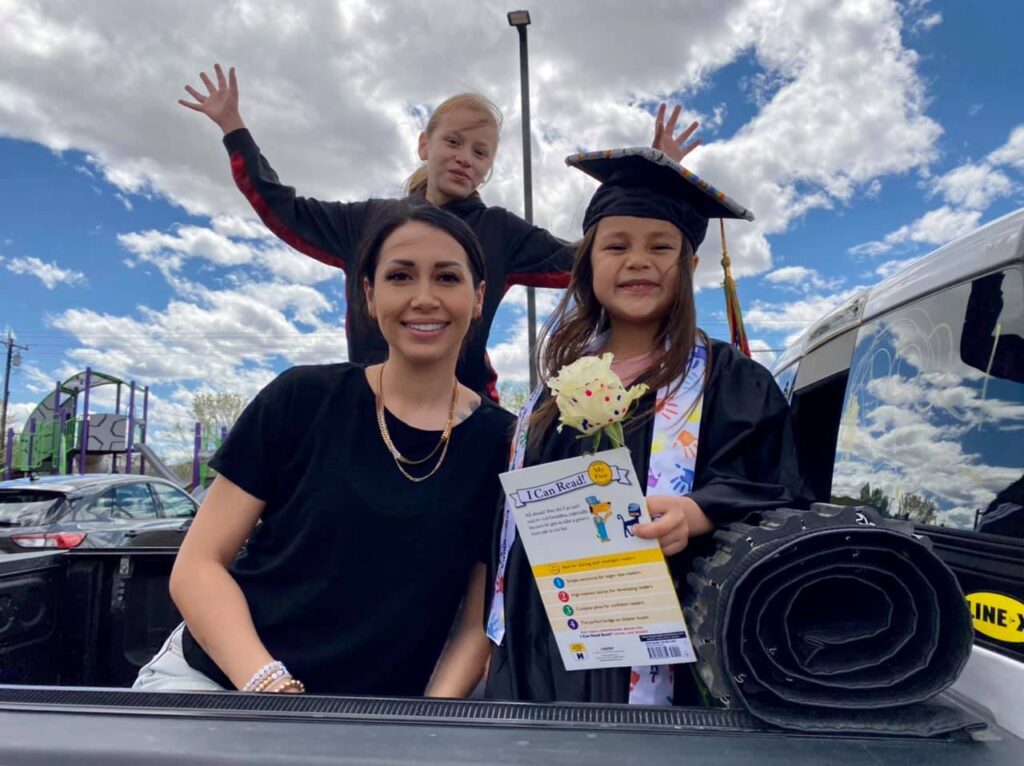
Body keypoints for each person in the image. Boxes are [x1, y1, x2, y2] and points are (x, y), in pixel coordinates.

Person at [134, 204, 512, 697]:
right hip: (223, 681)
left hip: (380, 717)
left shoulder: (504, 443)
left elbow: (478, 618)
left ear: (478, 297)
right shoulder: (301, 397)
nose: (424, 298)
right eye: (400, 276)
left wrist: (430, 720)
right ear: (370, 297)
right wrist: (268, 686)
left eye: (446, 277)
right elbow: (198, 565)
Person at [484, 148, 812, 707]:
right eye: (616, 246)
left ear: (689, 266)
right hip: (545, 650)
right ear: (586, 264)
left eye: (660, 247)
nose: (638, 261)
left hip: (676, 660)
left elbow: (780, 494)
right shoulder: (552, 391)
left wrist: (698, 511)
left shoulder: (732, 383)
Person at [178, 65, 701, 400]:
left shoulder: (499, 231)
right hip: (372, 397)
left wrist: (653, 183)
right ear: (425, 144)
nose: (463, 159)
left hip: (464, 401)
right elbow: (282, 208)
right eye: (453, 143)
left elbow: (589, 260)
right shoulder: (369, 222)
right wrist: (234, 131)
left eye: (480, 153)